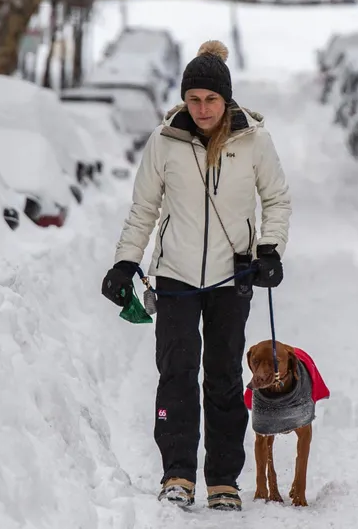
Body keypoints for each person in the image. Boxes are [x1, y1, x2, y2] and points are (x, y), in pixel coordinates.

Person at [100, 39, 292, 511]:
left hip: (233, 277)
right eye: (194, 99)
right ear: (183, 99)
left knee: (224, 376)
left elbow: (277, 199)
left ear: (226, 100)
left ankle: (223, 478)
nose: (202, 108)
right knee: (177, 374)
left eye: (211, 99)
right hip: (176, 277)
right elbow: (144, 208)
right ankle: (178, 473)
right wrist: (126, 261)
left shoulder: (253, 140)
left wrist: (269, 249)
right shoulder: (164, 141)